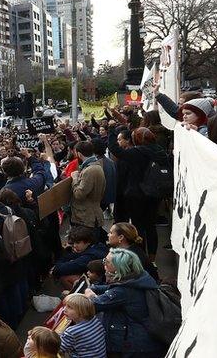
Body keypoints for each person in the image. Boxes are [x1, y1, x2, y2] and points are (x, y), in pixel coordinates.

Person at [85, 248, 166, 357]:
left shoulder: (123, 291)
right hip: (146, 340)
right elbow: (112, 287)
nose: (103, 264)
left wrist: (89, 294)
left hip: (136, 346)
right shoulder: (138, 278)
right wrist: (95, 288)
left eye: (107, 262)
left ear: (118, 267)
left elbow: (93, 305)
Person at [107, 124, 170, 260]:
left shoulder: (137, 152)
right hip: (155, 194)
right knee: (151, 226)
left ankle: (141, 257)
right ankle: (152, 258)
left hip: (137, 195)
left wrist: (111, 131)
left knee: (138, 227)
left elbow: (114, 149)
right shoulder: (160, 151)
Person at [68, 141, 106, 233]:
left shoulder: (90, 170)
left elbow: (79, 194)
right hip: (91, 214)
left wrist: (75, 178)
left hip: (87, 217)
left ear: (79, 154)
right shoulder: (96, 165)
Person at [59, 293, 106, 358]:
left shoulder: (71, 331)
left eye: (69, 307)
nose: (64, 309)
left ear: (82, 312)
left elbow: (58, 348)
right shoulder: (95, 320)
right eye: (65, 306)